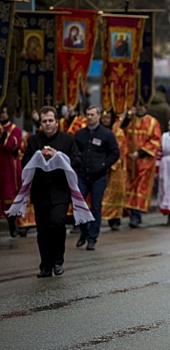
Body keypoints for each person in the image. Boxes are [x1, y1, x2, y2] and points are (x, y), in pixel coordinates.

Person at [20, 106, 83, 277]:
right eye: (44, 121)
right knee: (42, 229)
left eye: (50, 121)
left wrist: (59, 156)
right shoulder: (33, 141)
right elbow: (24, 162)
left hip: (60, 191)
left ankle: (58, 261)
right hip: (40, 191)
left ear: (56, 122)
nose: (47, 124)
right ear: (40, 123)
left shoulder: (68, 140)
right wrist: (38, 157)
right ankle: (45, 265)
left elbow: (77, 160)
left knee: (57, 223)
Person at [75, 106, 120, 250]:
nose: (89, 117)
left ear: (98, 116)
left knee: (96, 207)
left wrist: (104, 164)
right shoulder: (80, 134)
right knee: (79, 205)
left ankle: (92, 238)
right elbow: (74, 151)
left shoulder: (106, 134)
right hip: (82, 175)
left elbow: (115, 153)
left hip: (99, 176)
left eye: (92, 115)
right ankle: (84, 232)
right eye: (87, 114)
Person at [120, 103, 162, 227]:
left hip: (145, 162)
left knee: (140, 189)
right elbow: (120, 131)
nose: (139, 108)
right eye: (137, 106)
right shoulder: (129, 120)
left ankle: (136, 215)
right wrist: (128, 117)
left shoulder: (152, 122)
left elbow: (155, 140)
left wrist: (140, 153)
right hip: (129, 161)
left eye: (142, 106)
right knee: (128, 188)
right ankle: (130, 212)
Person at [100, 111, 128, 231]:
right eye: (104, 117)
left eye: (108, 118)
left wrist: (110, 163)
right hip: (99, 167)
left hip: (115, 168)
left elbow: (120, 149)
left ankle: (115, 219)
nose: (105, 120)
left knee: (115, 194)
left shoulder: (118, 132)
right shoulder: (97, 131)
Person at [0, 106, 22, 237]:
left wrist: (2, 133)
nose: (2, 115)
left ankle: (13, 225)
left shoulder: (15, 130)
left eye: (3, 111)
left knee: (8, 196)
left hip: (7, 168)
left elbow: (13, 146)